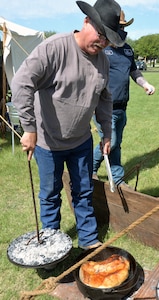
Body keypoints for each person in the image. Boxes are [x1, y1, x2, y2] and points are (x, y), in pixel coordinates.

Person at [11, 0, 124, 250]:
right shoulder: (54, 48)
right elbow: (21, 83)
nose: (103, 42)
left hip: (82, 141)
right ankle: (51, 246)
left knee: (83, 192)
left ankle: (88, 240)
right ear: (86, 22)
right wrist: (29, 128)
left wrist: (106, 132)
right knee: (50, 196)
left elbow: (105, 99)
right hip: (47, 142)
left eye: (108, 39)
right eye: (101, 34)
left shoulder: (103, 61)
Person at [93, 10, 155, 187]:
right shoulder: (102, 48)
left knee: (116, 142)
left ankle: (117, 177)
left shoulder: (128, 49)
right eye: (118, 26)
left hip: (122, 107)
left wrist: (144, 83)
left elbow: (133, 70)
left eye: (122, 26)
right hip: (104, 106)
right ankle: (91, 169)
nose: (120, 29)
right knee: (110, 141)